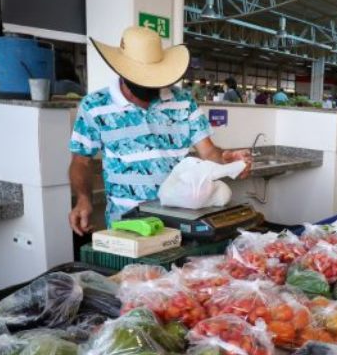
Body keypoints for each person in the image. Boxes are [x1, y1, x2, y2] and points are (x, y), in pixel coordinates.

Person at [67, 26, 252, 234]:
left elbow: (208, 152)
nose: (151, 86)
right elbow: (81, 161)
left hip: (180, 220)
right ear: (123, 72)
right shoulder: (95, 106)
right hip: (128, 224)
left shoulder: (183, 101)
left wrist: (227, 158)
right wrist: (83, 200)